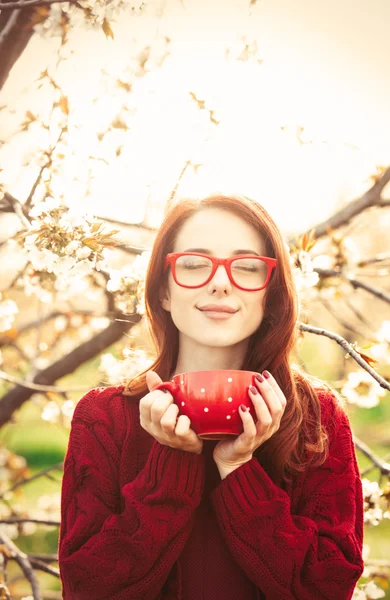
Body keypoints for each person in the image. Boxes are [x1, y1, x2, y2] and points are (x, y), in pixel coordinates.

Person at [58, 194, 365, 600]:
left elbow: (327, 588)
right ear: (163, 291)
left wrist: (239, 468)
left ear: (270, 293)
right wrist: (170, 466)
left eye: (247, 267)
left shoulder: (316, 419)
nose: (220, 282)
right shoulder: (104, 418)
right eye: (194, 264)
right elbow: (87, 588)